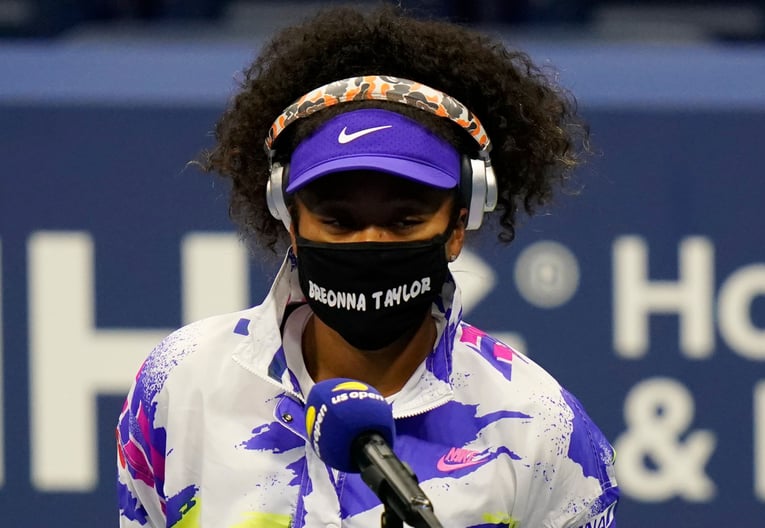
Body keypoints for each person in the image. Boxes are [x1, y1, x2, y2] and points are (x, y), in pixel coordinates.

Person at [116, 5, 619, 528]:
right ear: (290, 221)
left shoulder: (542, 429)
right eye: (338, 220)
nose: (370, 242)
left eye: (404, 220)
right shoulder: (181, 383)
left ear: (457, 226)